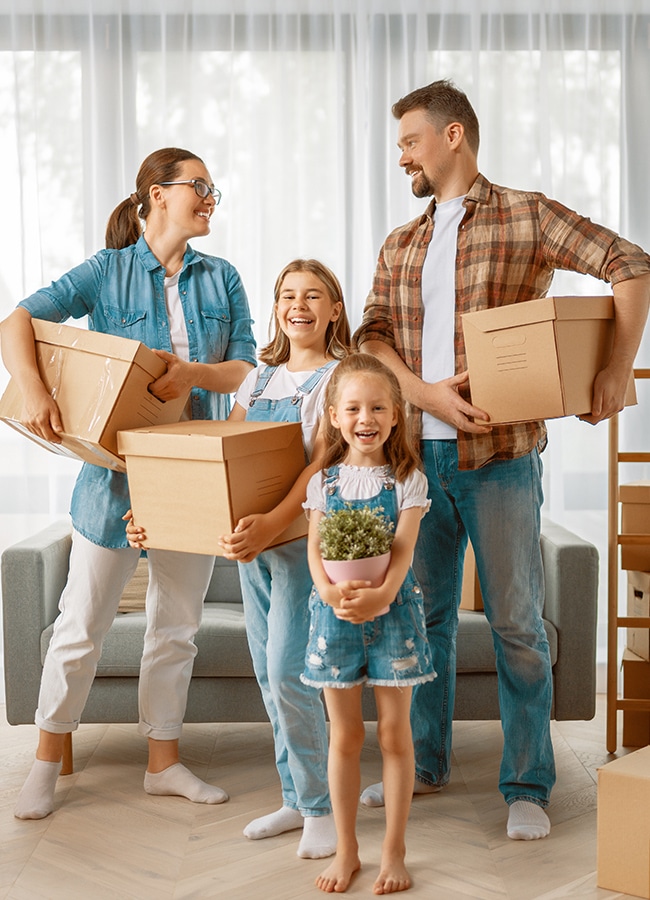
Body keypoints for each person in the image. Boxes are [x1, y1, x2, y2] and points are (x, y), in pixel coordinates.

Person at [354, 79, 650, 840]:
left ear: (453, 137)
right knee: (423, 623)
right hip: (416, 463)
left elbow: (630, 264)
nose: (403, 158)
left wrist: (616, 370)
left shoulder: (527, 214)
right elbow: (372, 335)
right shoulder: (403, 242)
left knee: (518, 625)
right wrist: (426, 397)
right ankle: (424, 765)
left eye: (410, 141)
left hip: (504, 462)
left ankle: (527, 785)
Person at [1, 147, 257, 820]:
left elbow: (246, 371)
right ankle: (47, 763)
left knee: (176, 628)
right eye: (199, 186)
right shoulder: (108, 271)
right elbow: (17, 320)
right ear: (157, 193)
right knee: (79, 626)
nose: (209, 197)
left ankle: (163, 763)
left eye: (213, 188)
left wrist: (192, 375)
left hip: (191, 479)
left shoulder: (222, 277)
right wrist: (30, 388)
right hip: (112, 482)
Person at [129, 258, 351, 859]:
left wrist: (271, 525)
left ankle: (319, 809)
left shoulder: (342, 381)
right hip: (254, 554)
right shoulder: (257, 381)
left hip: (305, 547)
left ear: (334, 308)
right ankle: (294, 795)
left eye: (312, 295)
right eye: (286, 295)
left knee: (290, 674)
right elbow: (225, 461)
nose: (296, 305)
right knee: (267, 674)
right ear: (276, 309)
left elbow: (322, 468)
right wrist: (159, 511)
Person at [300, 353, 434, 894]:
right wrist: (331, 592)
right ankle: (348, 849)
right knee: (346, 737)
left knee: (396, 736)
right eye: (353, 407)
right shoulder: (323, 483)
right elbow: (315, 551)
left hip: (394, 617)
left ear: (396, 414)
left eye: (378, 406)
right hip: (334, 619)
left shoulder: (408, 480)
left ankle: (394, 850)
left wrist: (380, 596)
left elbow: (401, 554)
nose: (366, 417)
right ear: (334, 415)